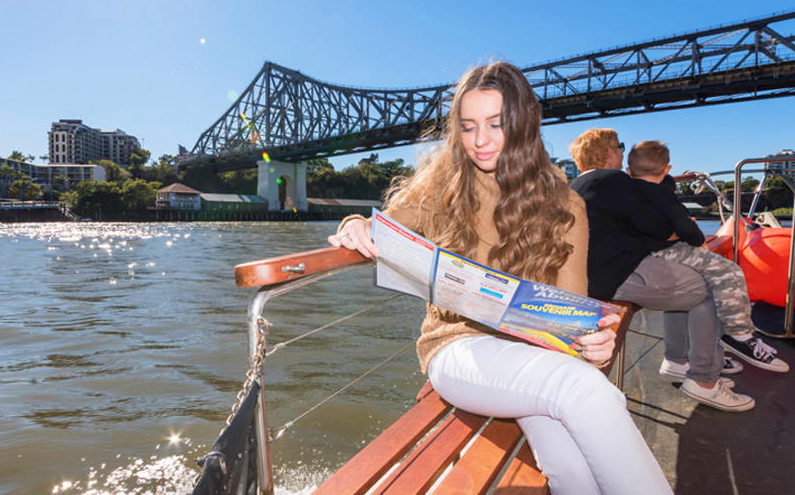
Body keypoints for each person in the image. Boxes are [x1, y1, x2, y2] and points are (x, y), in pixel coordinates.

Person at [329, 62, 671, 494]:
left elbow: (571, 311)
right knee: (587, 392)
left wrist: (594, 342)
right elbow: (383, 227)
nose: (480, 140)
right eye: (468, 126)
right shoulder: (443, 182)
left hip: (533, 355)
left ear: (524, 124)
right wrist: (353, 224)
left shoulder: (566, 205)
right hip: (456, 349)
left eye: (495, 124)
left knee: (575, 469)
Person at [569, 129, 753, 412]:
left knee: (684, 286)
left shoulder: (575, 186)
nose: (622, 152)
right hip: (619, 274)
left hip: (590, 276)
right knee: (707, 286)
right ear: (608, 153)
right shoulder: (615, 180)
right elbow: (656, 226)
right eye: (619, 146)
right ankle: (704, 380)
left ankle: (679, 362)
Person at [627, 140, 788, 373]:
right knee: (729, 272)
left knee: (702, 282)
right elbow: (688, 229)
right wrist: (701, 244)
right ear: (666, 170)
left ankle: (685, 355)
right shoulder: (664, 195)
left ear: (629, 171)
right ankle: (739, 334)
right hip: (666, 251)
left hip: (642, 254)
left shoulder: (625, 191)